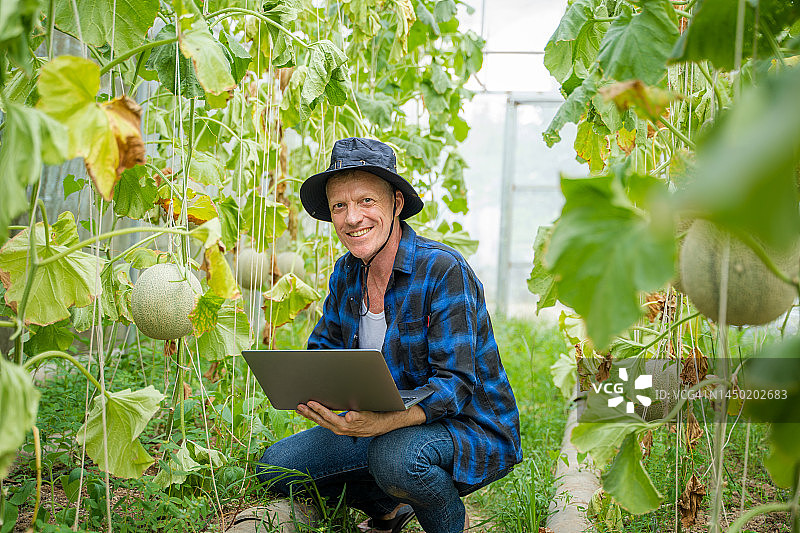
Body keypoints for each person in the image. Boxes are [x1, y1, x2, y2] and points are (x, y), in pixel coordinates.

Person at [254, 137, 522, 533]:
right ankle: (388, 509)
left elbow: (457, 384)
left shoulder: (444, 270)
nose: (351, 218)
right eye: (339, 206)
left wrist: (380, 425)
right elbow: (324, 350)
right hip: (380, 425)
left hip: (467, 426)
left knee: (396, 459)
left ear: (396, 204)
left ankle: (448, 523)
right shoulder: (346, 273)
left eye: (366, 201)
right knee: (275, 467)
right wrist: (312, 392)